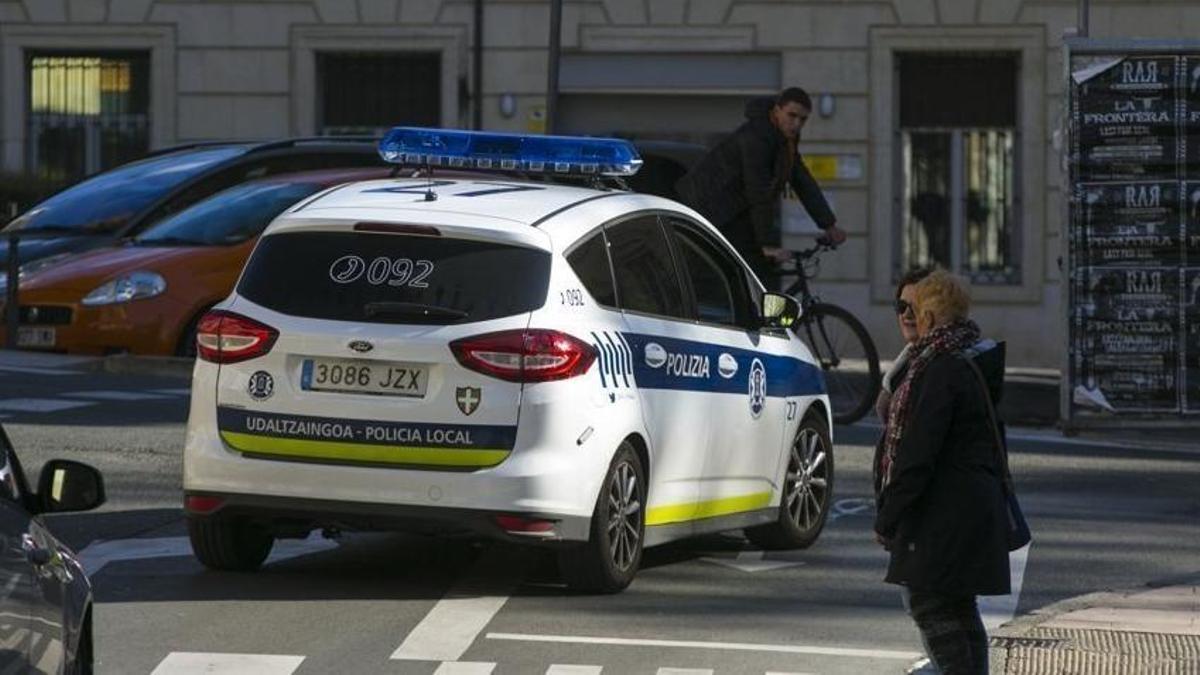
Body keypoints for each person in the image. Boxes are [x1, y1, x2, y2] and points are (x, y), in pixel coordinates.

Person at [873, 270, 1011, 675]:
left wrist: (888, 517)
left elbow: (917, 455)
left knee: (932, 608)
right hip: (964, 511)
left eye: (914, 309)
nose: (909, 317)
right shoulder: (963, 356)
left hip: (943, 516)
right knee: (959, 612)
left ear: (931, 315)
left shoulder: (939, 368)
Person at [675, 87, 847, 288]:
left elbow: (801, 180)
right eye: (791, 116)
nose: (796, 124)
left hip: (735, 211)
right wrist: (765, 245)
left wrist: (829, 225)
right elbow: (758, 191)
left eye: (803, 119)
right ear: (777, 110)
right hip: (710, 209)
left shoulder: (785, 140)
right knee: (744, 274)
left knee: (752, 278)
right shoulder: (756, 137)